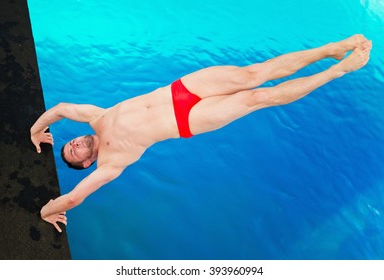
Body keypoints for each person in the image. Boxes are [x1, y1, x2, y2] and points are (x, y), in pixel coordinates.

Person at [30, 35, 372, 232]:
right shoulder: (111, 164)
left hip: (181, 89)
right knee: (260, 97)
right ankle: (338, 70)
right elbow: (74, 198)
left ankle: (330, 49)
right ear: (87, 162)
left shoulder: (96, 117)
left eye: (70, 143)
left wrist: (36, 129)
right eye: (73, 153)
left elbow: (60, 108)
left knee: (255, 73)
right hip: (189, 121)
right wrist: (47, 211)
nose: (73, 144)